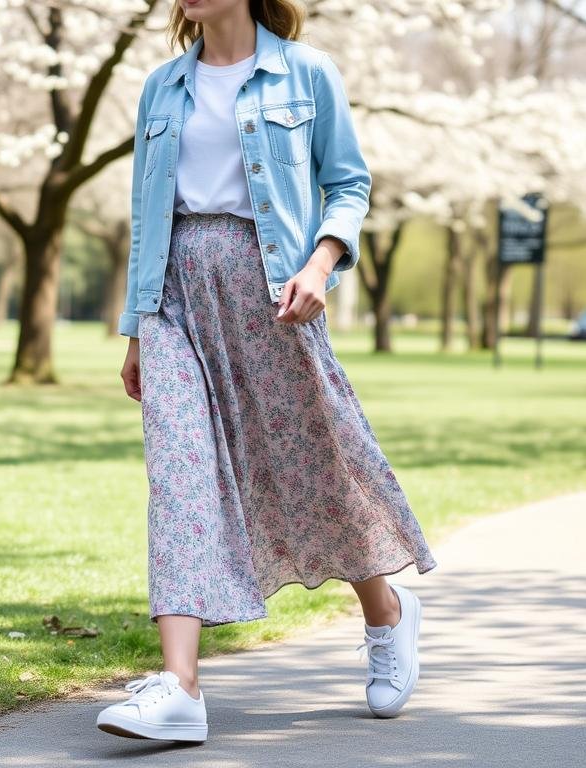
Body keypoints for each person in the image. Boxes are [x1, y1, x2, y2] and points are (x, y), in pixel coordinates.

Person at [98, 0, 438, 742]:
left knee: (311, 466)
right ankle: (181, 687)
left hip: (274, 292)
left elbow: (349, 185)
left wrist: (322, 264)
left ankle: (386, 612)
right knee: (180, 475)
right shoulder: (163, 86)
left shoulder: (305, 72)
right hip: (175, 300)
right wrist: (135, 328)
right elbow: (145, 211)